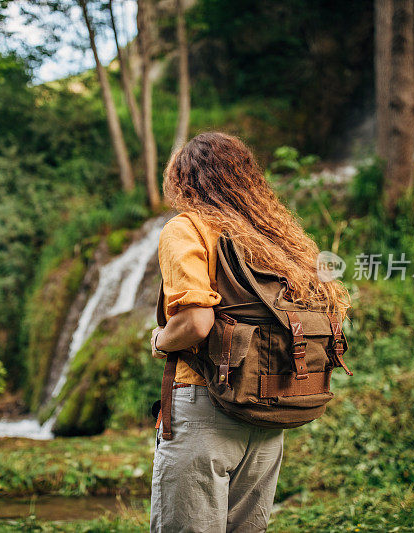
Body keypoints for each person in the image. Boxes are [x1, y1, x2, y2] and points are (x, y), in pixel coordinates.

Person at [149, 132, 350, 532]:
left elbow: (196, 322)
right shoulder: (275, 237)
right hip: (268, 407)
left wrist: (159, 340)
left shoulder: (187, 228)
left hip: (207, 403)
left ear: (184, 181)